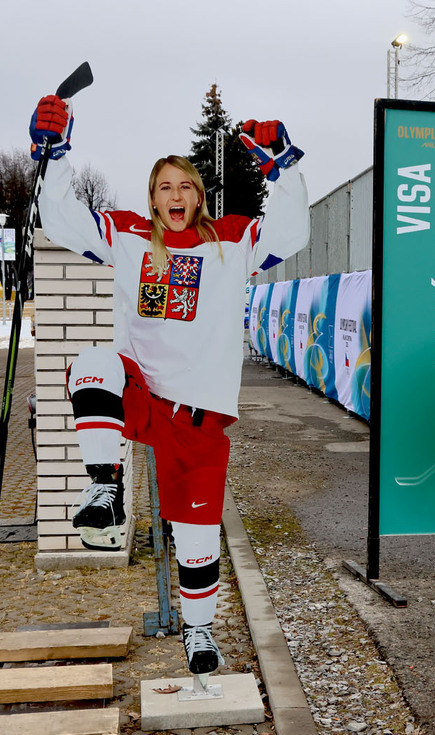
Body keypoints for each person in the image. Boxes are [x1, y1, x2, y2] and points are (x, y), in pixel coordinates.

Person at [29, 95, 309, 677]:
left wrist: (283, 168)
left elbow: (293, 231)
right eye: (163, 188)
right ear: (151, 197)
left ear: (198, 195)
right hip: (144, 393)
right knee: (91, 365)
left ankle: (199, 633)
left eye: (184, 186)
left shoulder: (232, 240)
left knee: (196, 532)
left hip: (200, 414)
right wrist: (54, 156)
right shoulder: (127, 235)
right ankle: (104, 489)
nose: (174, 197)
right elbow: (59, 219)